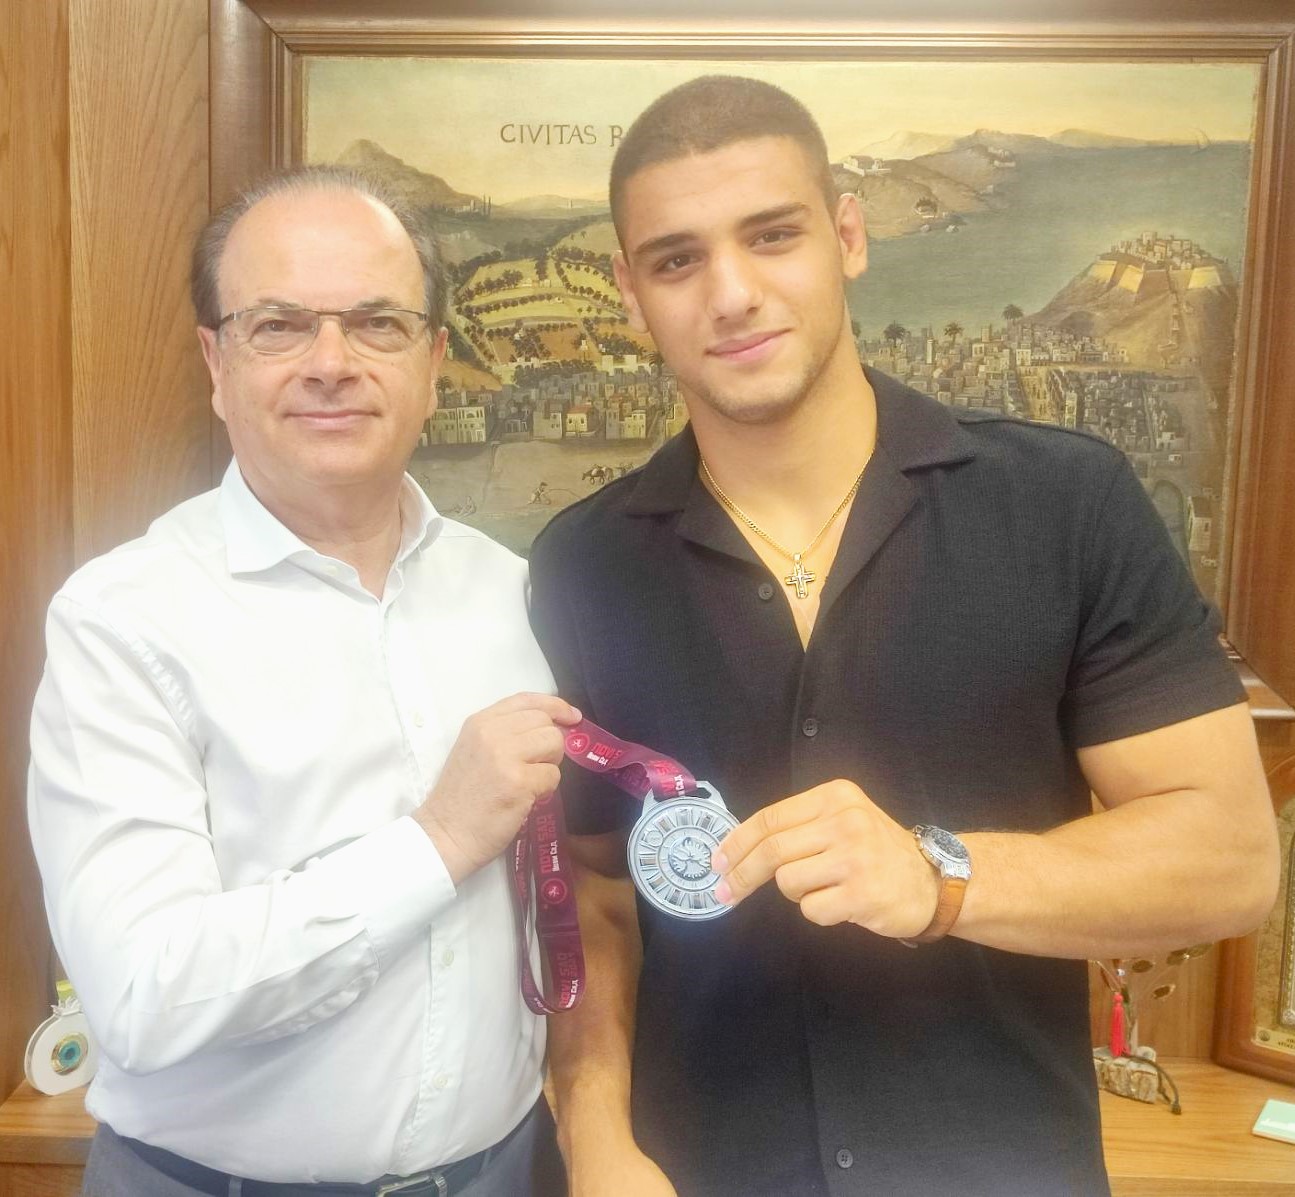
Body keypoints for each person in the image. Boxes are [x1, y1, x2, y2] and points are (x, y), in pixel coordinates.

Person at [527, 75, 1279, 1197]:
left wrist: (942, 876)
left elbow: (1228, 860)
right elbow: (591, 889)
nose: (731, 294)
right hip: (695, 1172)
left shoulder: (1061, 503)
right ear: (632, 297)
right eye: (676, 260)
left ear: (846, 236)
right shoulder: (582, 564)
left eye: (771, 235)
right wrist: (594, 1139)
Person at [28, 165, 576, 1197]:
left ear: (433, 362)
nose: (332, 364)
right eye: (278, 326)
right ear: (216, 361)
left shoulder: (516, 595)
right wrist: (436, 839)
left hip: (505, 1173)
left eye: (377, 324)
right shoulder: (121, 619)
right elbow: (141, 994)